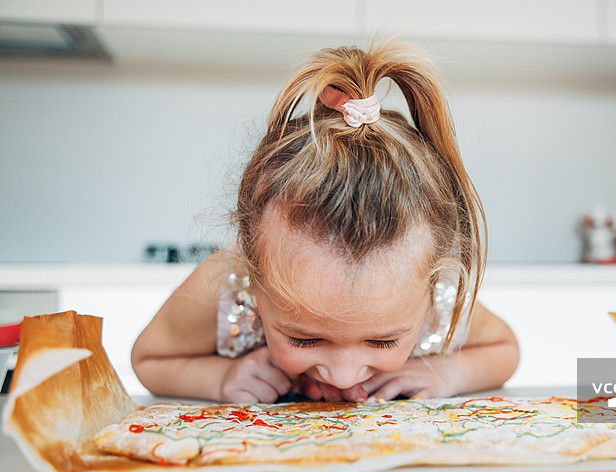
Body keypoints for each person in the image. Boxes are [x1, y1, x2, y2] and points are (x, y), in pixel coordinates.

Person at [131, 41, 520, 404]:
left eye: (383, 342)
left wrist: (447, 374)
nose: (343, 376)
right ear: (253, 272)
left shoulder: (441, 295)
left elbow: (505, 350)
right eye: (303, 339)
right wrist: (220, 378)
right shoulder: (227, 283)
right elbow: (149, 359)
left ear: (434, 282)